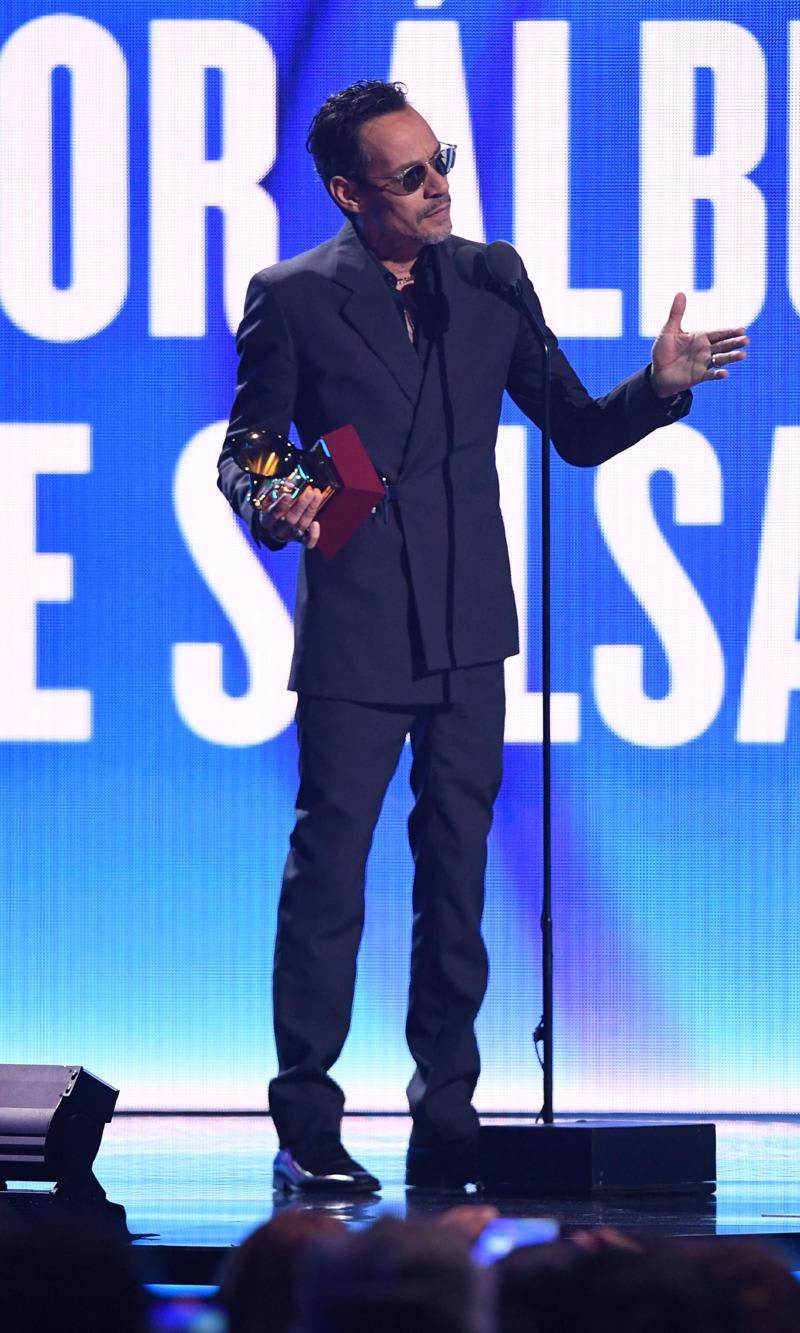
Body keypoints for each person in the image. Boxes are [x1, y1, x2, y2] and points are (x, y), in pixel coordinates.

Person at [217, 80, 748, 1194]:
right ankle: (307, 1121)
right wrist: (280, 494)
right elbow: (247, 451)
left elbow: (575, 430)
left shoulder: (490, 278)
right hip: (358, 624)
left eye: (440, 162)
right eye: (408, 175)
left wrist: (657, 388)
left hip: (468, 628)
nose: (436, 188)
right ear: (349, 193)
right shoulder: (294, 295)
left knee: (455, 881)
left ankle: (446, 1118)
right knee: (330, 878)